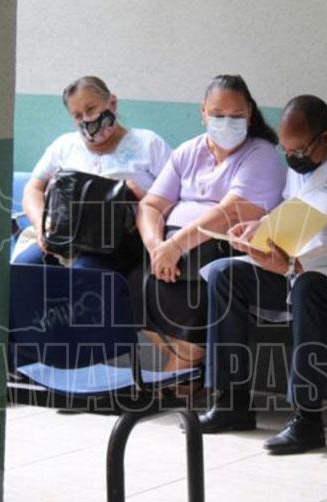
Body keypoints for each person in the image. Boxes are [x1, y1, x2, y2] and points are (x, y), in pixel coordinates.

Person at [199, 95, 327, 454]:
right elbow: (293, 211)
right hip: (296, 264)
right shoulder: (305, 160)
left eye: (299, 150)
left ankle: (307, 419)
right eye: (286, 150)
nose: (292, 159)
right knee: (224, 274)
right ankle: (231, 402)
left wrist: (298, 264)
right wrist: (261, 229)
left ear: (325, 138)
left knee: (309, 287)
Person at [136, 75, 286, 376]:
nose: (227, 123)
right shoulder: (188, 152)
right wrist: (157, 247)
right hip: (171, 254)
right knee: (130, 280)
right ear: (203, 112)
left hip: (220, 252)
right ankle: (186, 371)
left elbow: (232, 211)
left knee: (202, 288)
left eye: (236, 115)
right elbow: (150, 206)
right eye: (217, 115)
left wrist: (175, 246)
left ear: (250, 113)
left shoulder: (261, 154)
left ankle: (178, 377)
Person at [14, 76, 171, 274]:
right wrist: (40, 226)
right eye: (78, 115)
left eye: (91, 109)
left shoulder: (148, 144)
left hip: (117, 242)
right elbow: (34, 188)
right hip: (65, 235)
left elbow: (175, 197)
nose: (86, 119)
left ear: (112, 103)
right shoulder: (64, 146)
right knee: (24, 268)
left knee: (84, 273)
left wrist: (135, 194)